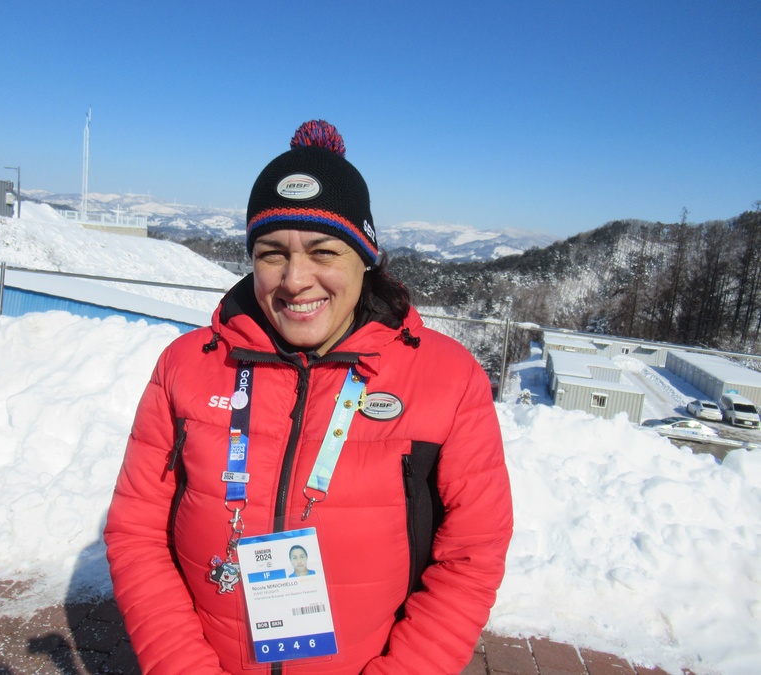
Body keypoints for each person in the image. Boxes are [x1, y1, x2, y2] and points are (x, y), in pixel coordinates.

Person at [104, 120, 513, 674]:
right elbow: (135, 532)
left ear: (364, 260)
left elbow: (473, 554)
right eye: (273, 253)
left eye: (323, 252)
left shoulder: (448, 379)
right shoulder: (187, 366)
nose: (296, 279)